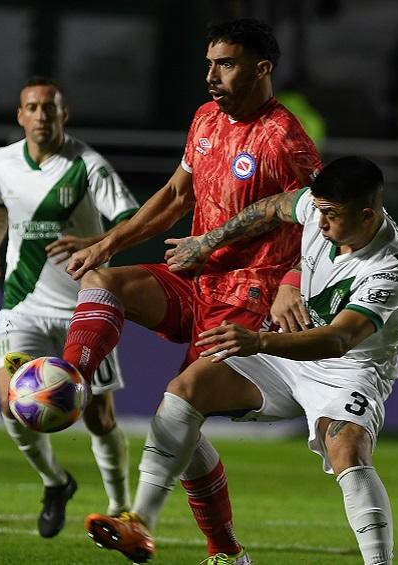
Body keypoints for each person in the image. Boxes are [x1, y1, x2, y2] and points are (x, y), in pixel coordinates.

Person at [59, 18, 322, 565]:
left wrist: (292, 285)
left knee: (182, 405)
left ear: (261, 68)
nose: (211, 75)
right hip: (196, 275)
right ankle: (69, 382)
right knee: (103, 280)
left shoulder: (286, 139)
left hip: (249, 297)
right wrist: (108, 243)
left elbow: (319, 222)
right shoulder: (205, 119)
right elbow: (177, 196)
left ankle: (198, 542)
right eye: (209, 63)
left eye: (225, 64)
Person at [85, 156, 398, 565]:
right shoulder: (316, 210)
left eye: (331, 214)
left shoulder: (390, 271)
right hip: (285, 351)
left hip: (349, 370)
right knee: (185, 391)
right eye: (318, 209)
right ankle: (140, 522)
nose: (321, 221)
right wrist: (208, 243)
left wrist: (258, 340)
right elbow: (270, 207)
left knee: (346, 448)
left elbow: (338, 339)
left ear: (367, 215)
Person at [0, 76, 140, 538]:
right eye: (33, 107)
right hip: (22, 306)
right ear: (20, 115)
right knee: (14, 404)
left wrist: (93, 241)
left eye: (51, 108)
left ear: (63, 114)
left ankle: (120, 507)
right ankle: (56, 481)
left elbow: (130, 220)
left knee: (99, 417)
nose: (42, 116)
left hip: (83, 310)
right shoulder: (1, 162)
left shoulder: (88, 165)